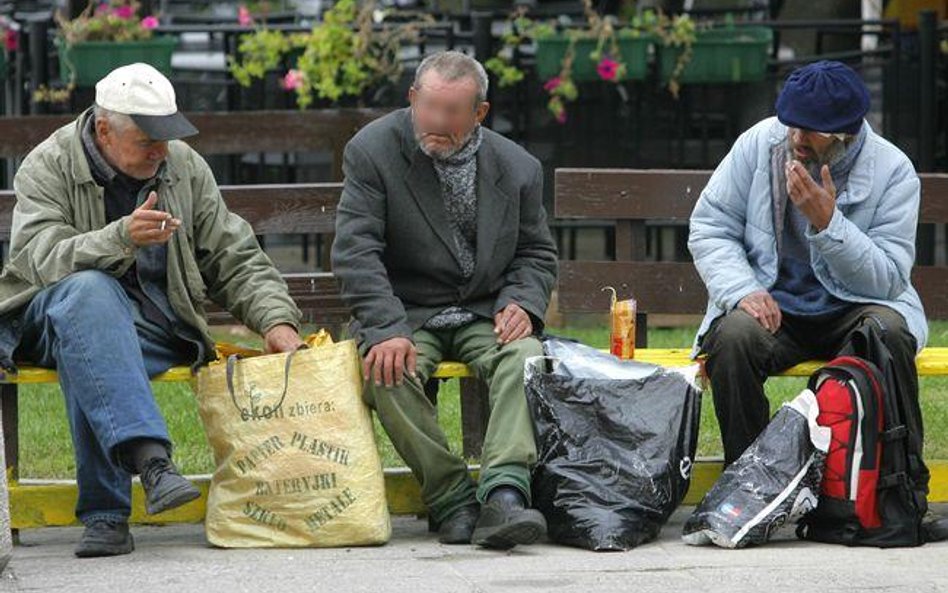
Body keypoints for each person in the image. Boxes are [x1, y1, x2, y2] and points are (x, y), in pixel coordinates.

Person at [0, 63, 304, 557]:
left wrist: (276, 320)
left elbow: (233, 254)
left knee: (96, 351)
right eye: (147, 140)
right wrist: (120, 237)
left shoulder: (182, 165)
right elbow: (40, 258)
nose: (162, 150)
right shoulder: (47, 163)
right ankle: (152, 463)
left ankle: (107, 516)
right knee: (91, 296)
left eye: (168, 136)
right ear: (104, 130)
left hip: (150, 327)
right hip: (49, 317)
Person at [331, 51, 557, 549]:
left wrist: (523, 301)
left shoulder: (517, 166)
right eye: (428, 107)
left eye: (452, 112)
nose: (436, 121)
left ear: (479, 113)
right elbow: (355, 252)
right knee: (385, 370)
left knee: (526, 357)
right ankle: (452, 497)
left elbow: (536, 252)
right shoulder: (371, 150)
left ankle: (504, 495)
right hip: (405, 310)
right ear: (413, 98)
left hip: (483, 307)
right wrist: (385, 327)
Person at [688, 60, 927, 465]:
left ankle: (891, 489)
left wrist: (829, 223)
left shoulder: (894, 171)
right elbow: (710, 226)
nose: (796, 138)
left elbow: (888, 279)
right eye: (790, 124)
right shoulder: (758, 145)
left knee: (887, 333)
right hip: (777, 307)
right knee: (733, 338)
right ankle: (748, 485)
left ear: (845, 133)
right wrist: (743, 289)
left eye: (810, 130)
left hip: (853, 308)